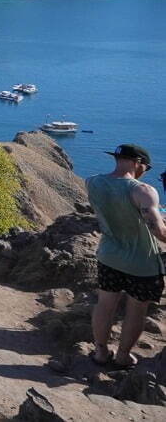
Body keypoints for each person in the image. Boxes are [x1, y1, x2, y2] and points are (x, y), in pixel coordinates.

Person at [87, 145, 166, 370]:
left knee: (104, 304)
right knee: (136, 309)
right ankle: (123, 356)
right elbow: (158, 231)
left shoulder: (92, 182)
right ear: (138, 162)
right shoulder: (143, 190)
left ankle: (100, 352)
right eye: (146, 167)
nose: (146, 172)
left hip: (109, 255)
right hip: (142, 263)